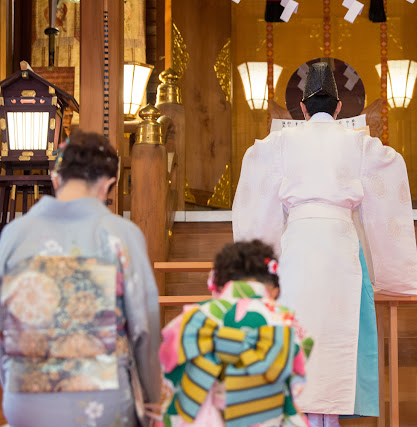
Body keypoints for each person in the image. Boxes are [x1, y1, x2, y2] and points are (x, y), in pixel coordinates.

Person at [232, 61, 417, 426]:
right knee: (334, 337)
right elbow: (391, 177)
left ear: (301, 109)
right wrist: (392, 269)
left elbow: (254, 190)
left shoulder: (280, 143)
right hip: (341, 251)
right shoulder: (359, 143)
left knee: (299, 335)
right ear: (338, 109)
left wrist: (259, 266)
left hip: (297, 250)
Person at [0, 131, 162, 426]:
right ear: (107, 183)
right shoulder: (120, 235)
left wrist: (12, 376)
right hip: (102, 402)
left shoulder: (13, 235)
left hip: (24, 398)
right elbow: (145, 327)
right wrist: (151, 398)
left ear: (55, 178)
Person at [158, 240, 312, 427]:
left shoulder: (191, 318)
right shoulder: (285, 321)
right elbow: (296, 382)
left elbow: (169, 377)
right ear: (274, 288)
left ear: (218, 283)